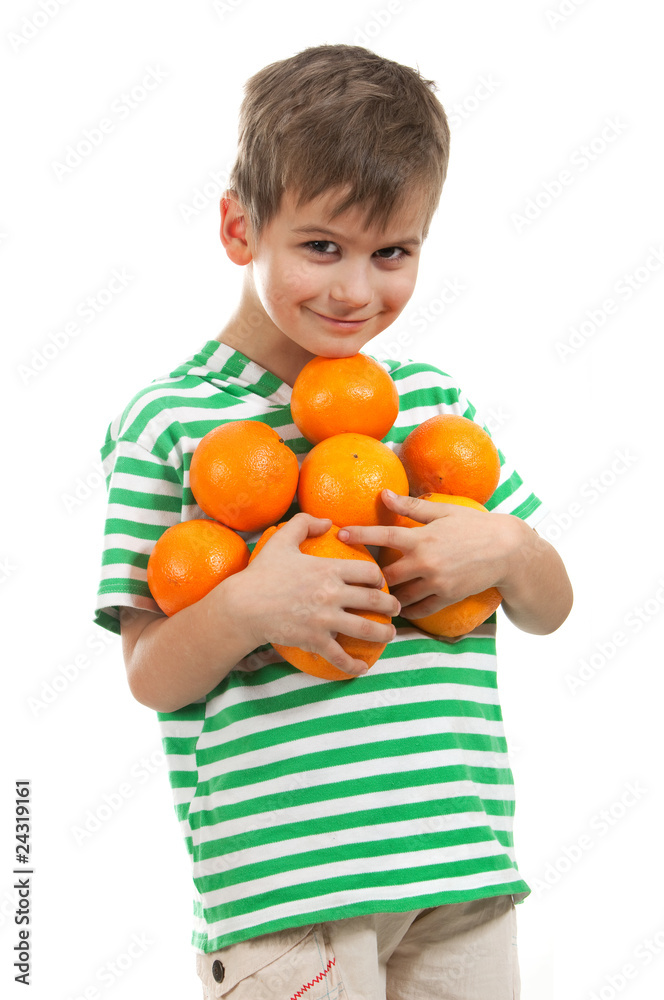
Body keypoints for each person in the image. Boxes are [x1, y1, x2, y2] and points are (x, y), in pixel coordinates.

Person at [93, 43, 572, 1000]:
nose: (356, 291)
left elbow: (548, 605)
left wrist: (508, 545)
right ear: (239, 228)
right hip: (288, 894)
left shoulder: (430, 406)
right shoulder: (170, 422)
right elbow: (149, 672)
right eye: (323, 246)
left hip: (460, 867)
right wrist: (249, 608)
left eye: (391, 253)